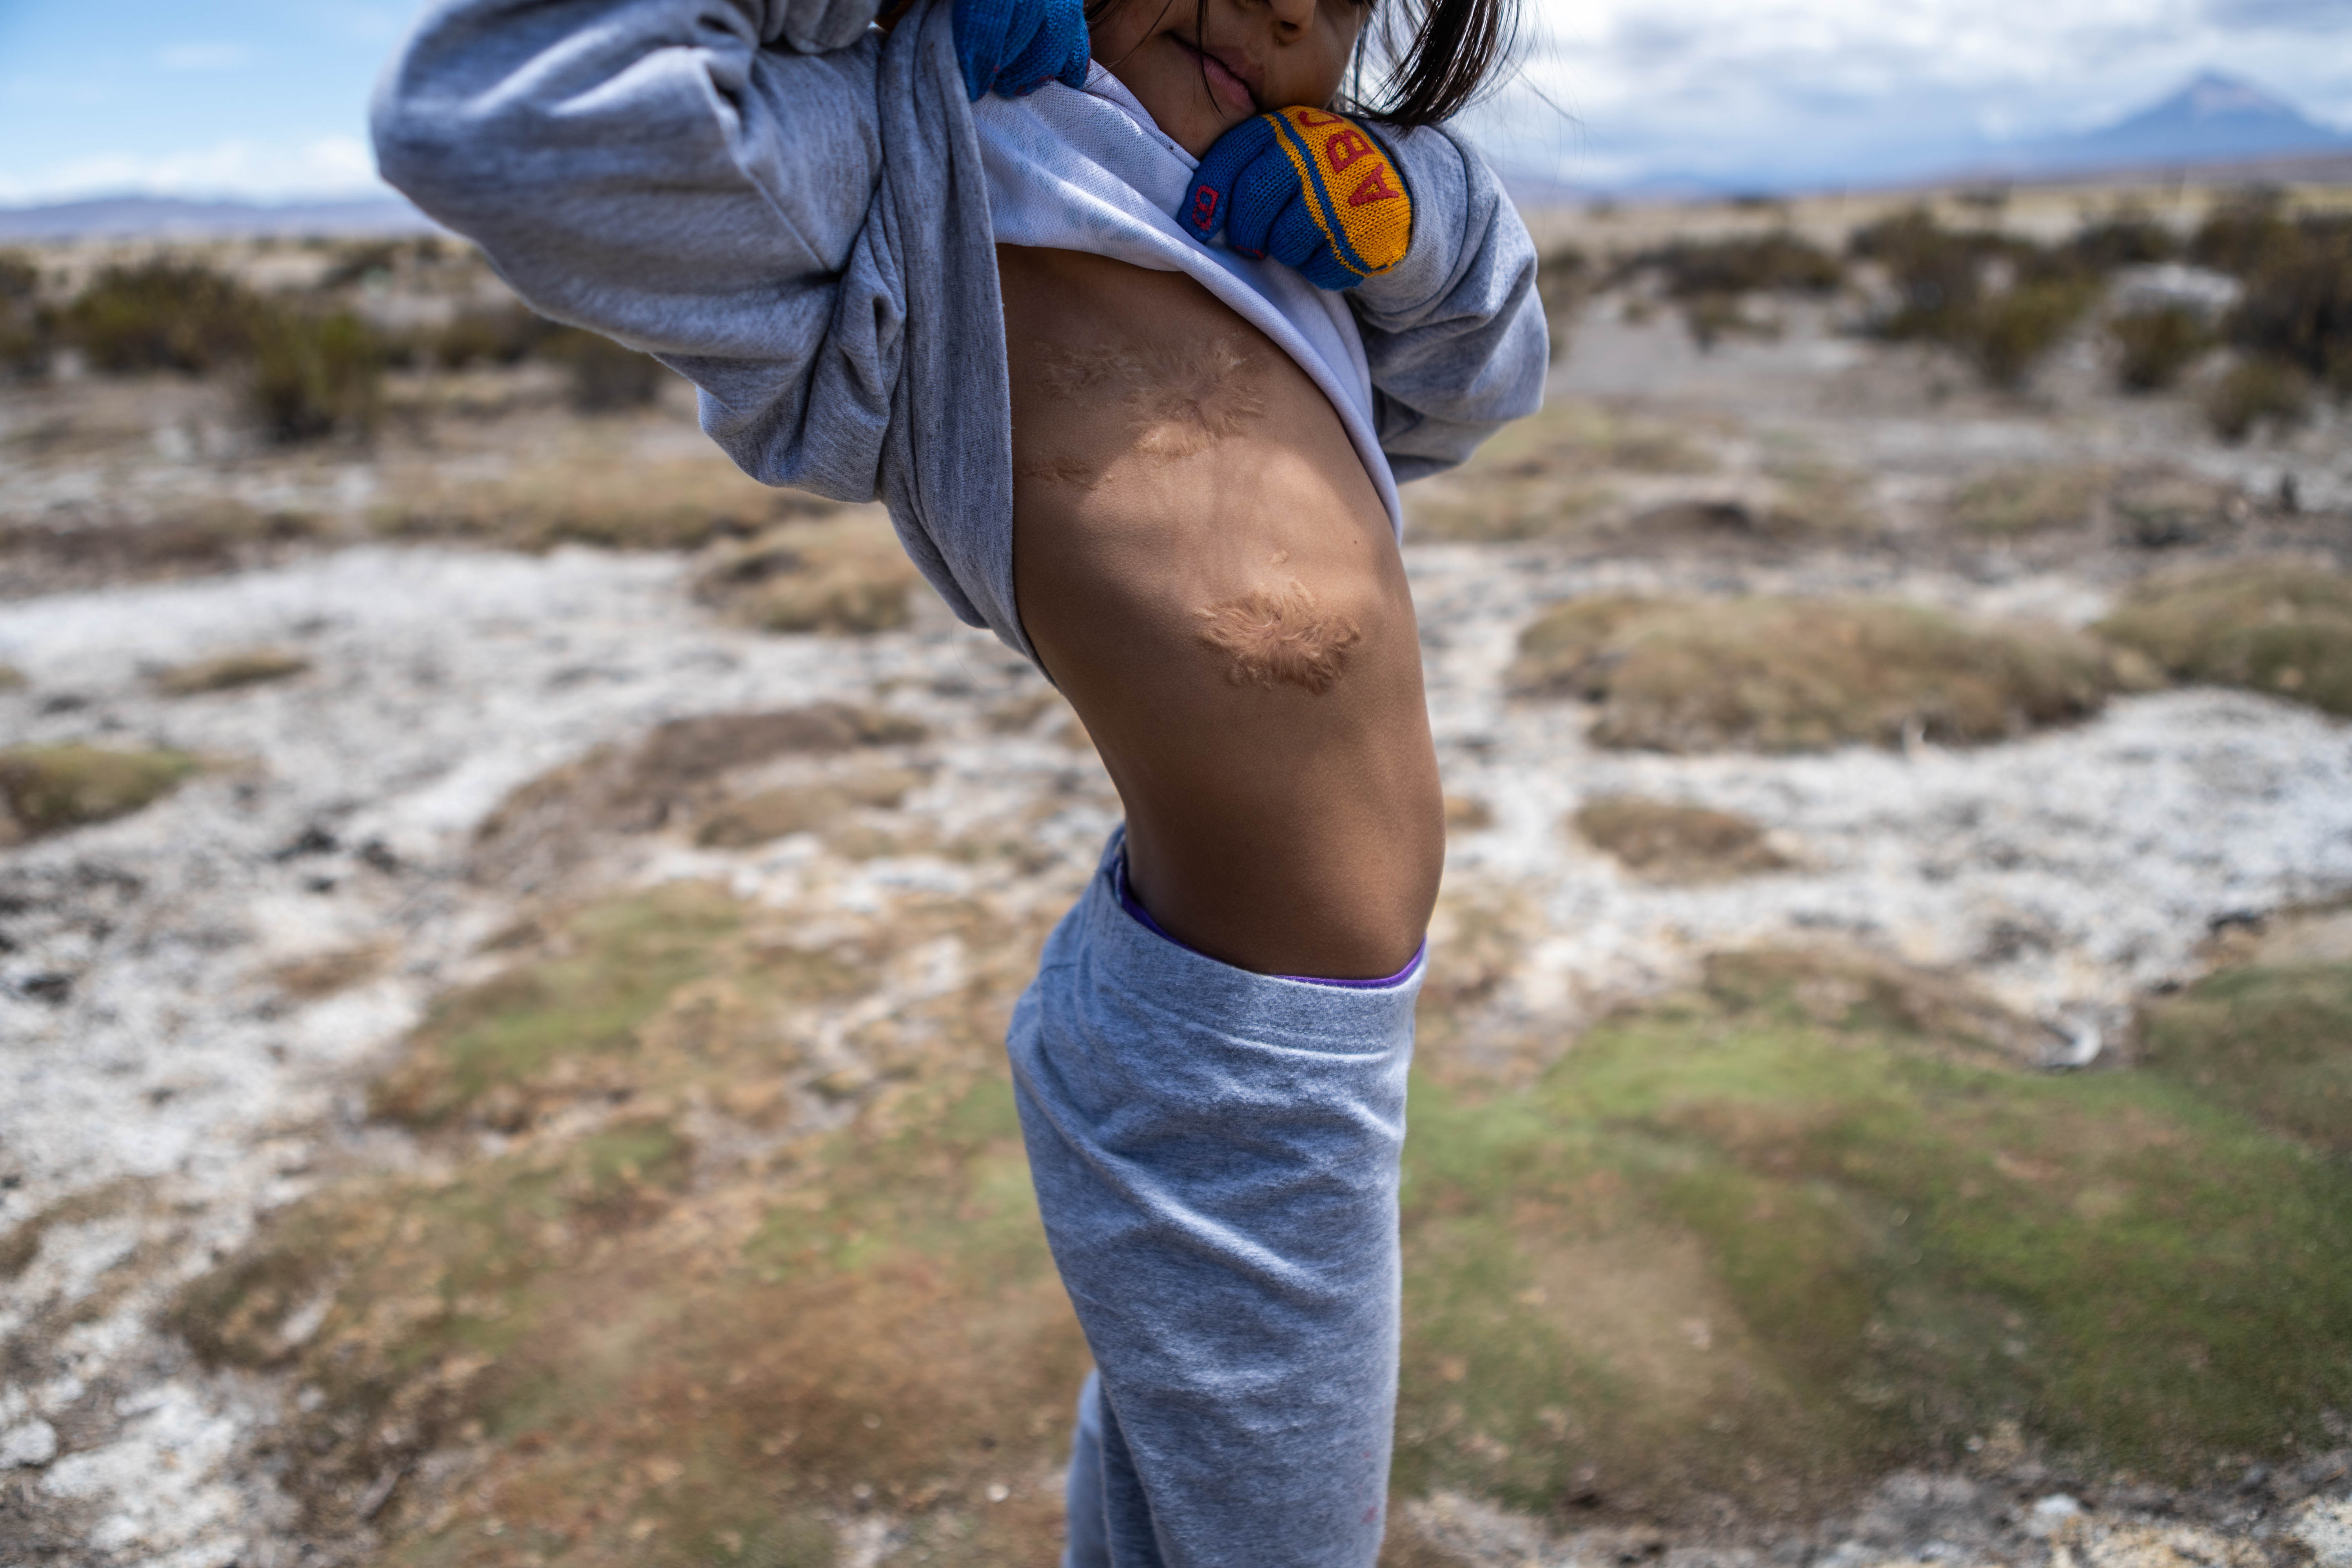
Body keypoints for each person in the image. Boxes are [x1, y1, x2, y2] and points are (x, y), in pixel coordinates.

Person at [373, 0, 1544, 1555]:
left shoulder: (1271, 192)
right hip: (1230, 1067)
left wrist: (1415, 220)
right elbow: (502, 120)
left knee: (1182, 1486)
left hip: (1317, 1033)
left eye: (1341, 1)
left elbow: (1479, 382)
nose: (1279, 12)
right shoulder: (921, 170)